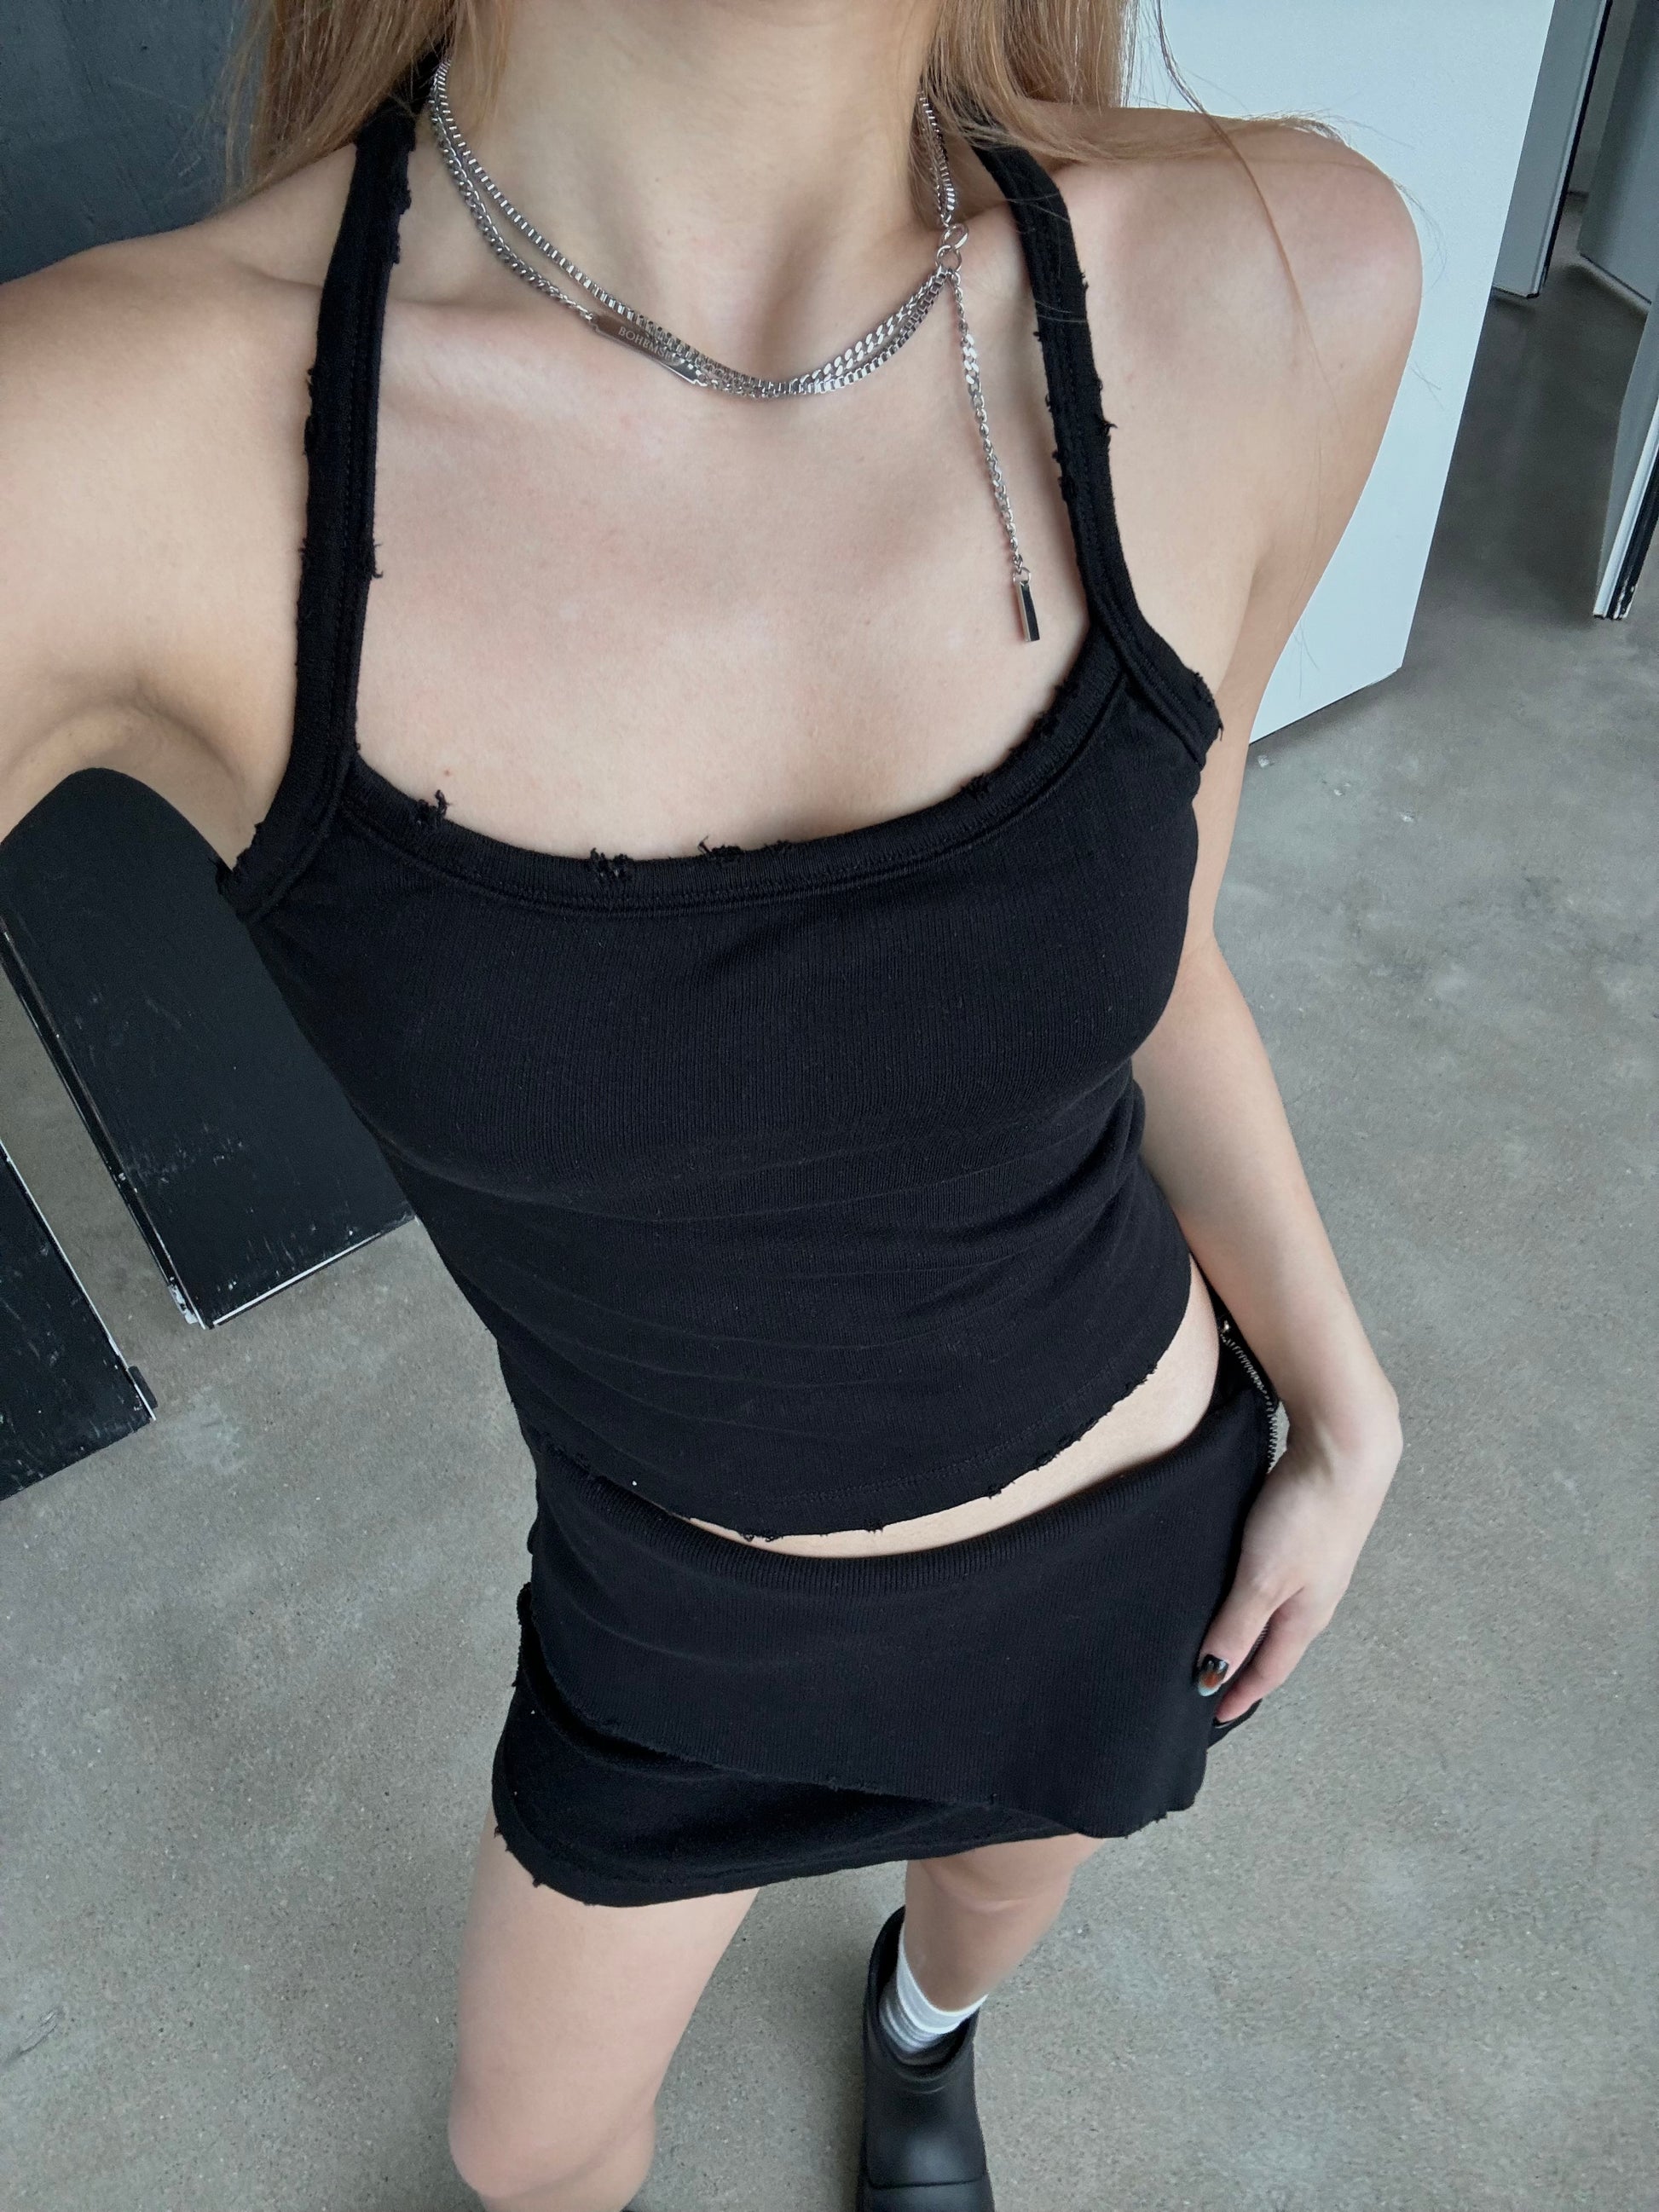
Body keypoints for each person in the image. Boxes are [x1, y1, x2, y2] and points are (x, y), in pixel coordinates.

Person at [0, 3, 1416, 2206]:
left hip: (1128, 1511)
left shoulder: (1277, 269)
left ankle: (919, 2037)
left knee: (992, 1903)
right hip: (683, 1620)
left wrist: (1341, 1393)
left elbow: (1164, 967)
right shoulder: (107, 443)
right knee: (529, 2151)